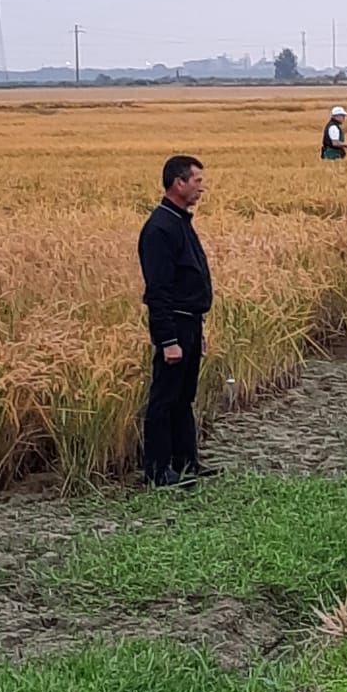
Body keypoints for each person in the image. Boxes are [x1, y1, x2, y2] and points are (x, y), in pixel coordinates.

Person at [138, 154, 213, 486]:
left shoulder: (180, 221)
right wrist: (167, 339)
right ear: (177, 183)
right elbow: (159, 290)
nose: (202, 187)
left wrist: (199, 329)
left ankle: (186, 462)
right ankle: (157, 469)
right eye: (196, 180)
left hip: (190, 323)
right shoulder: (159, 228)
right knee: (165, 398)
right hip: (175, 325)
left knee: (185, 397)